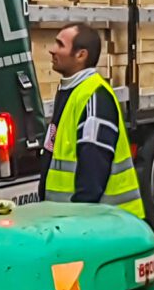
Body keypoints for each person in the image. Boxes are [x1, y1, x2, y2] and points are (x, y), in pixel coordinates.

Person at [41, 23, 145, 216]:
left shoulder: (93, 97)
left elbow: (93, 167)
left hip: (105, 226)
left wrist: (79, 218)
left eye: (60, 45)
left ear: (81, 55)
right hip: (73, 222)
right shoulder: (70, 90)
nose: (52, 50)